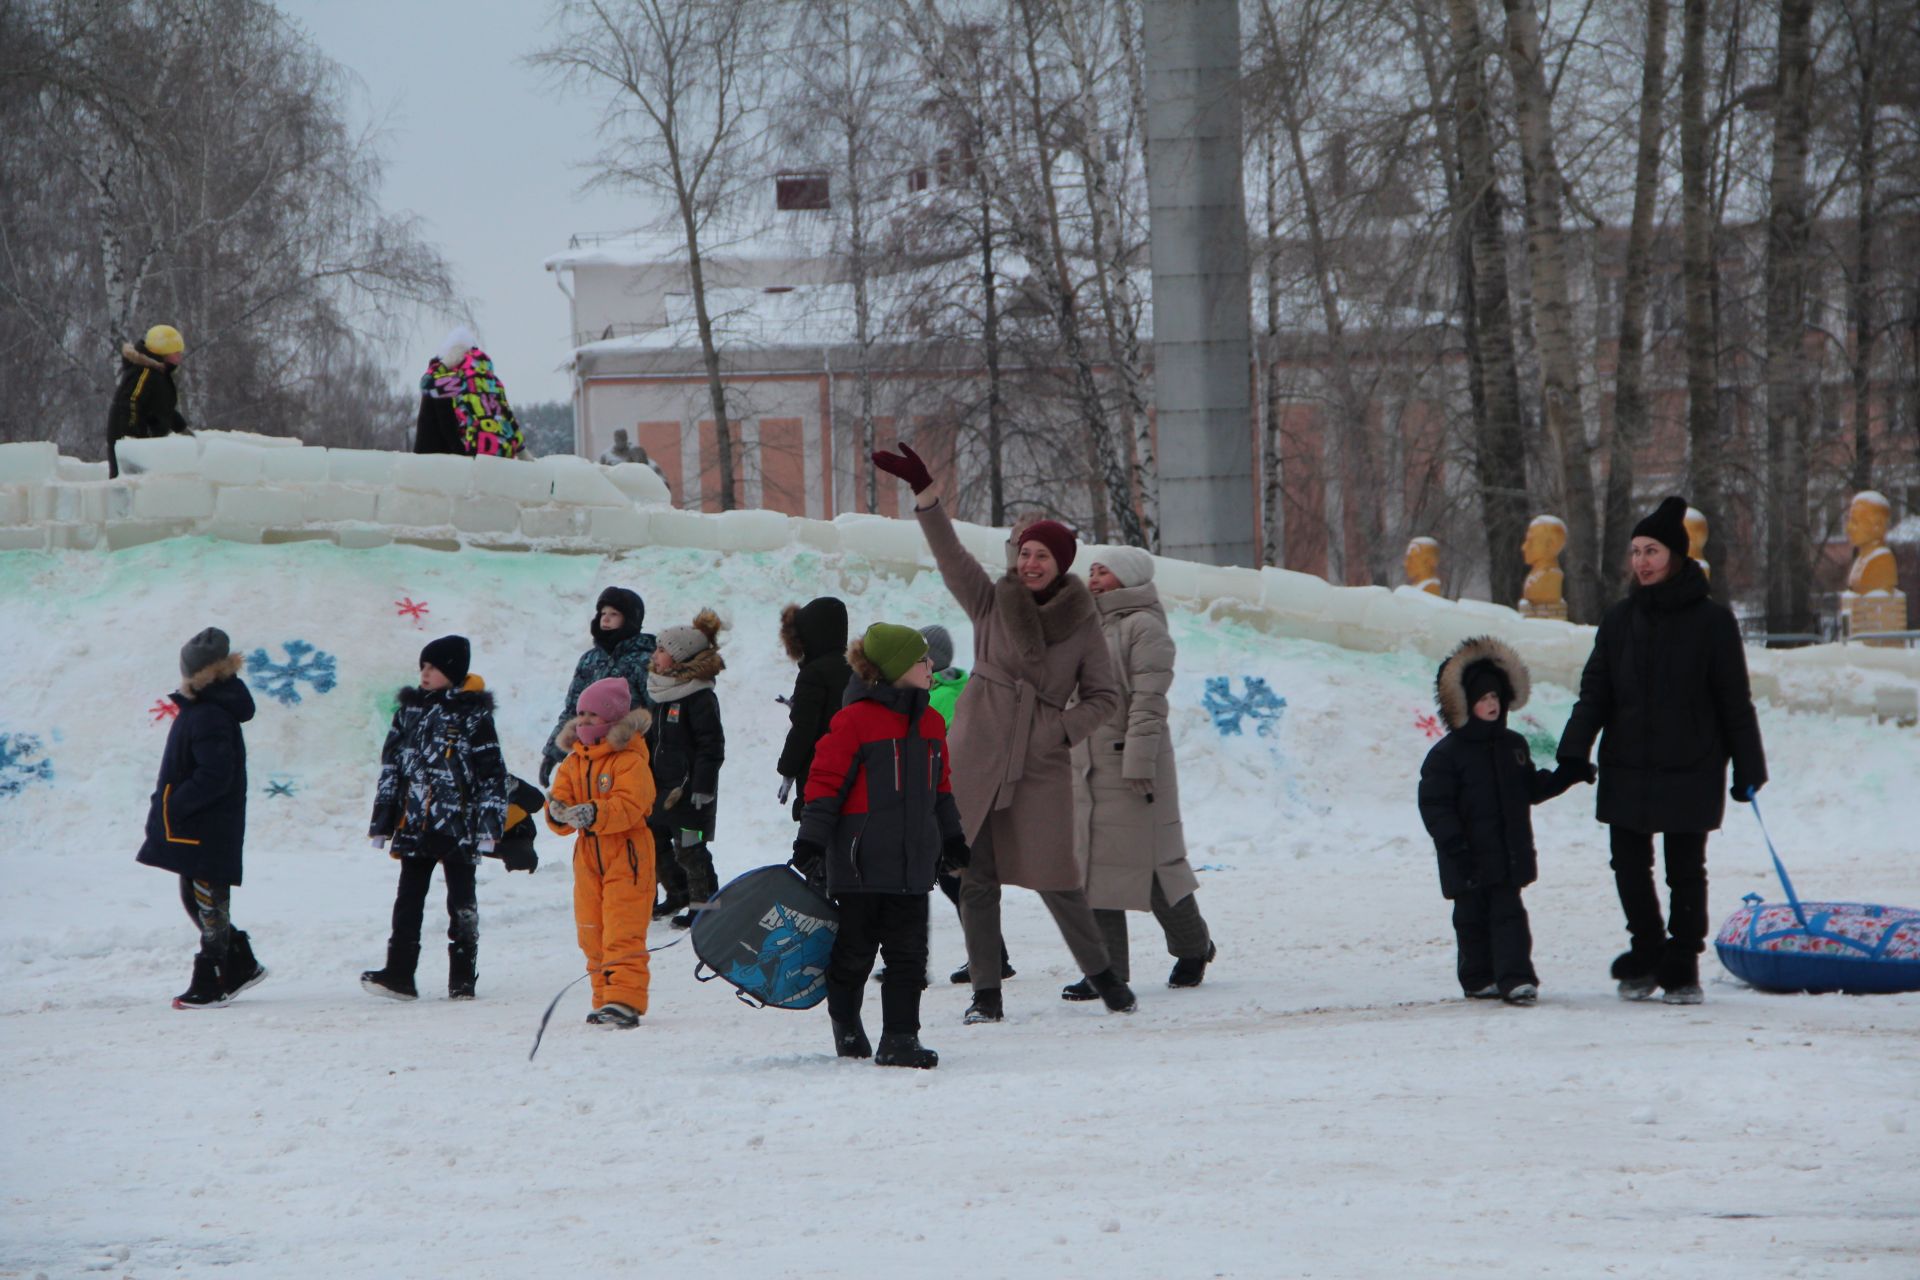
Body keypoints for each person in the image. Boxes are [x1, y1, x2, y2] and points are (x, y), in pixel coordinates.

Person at [873, 442, 1132, 1024]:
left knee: (1057, 877)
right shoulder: (992, 603)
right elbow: (950, 555)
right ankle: (986, 995)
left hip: (1038, 760)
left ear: (1061, 564)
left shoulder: (1083, 623)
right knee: (974, 876)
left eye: (1043, 555)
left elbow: (1105, 696)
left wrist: (1058, 732)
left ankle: (1106, 977)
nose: (1031, 563)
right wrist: (926, 497)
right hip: (978, 749)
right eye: (1025, 553)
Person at [1556, 496, 1768, 1005]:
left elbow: (1733, 700)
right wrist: (1573, 750)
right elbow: (1596, 692)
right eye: (1635, 552)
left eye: (1651, 551)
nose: (1642, 562)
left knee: (1684, 869)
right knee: (1627, 865)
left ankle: (1683, 964)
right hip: (1627, 761)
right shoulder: (1618, 620)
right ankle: (1647, 950)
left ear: (1675, 555)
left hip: (1690, 763)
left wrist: (1748, 766)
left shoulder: (1714, 622)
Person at [792, 623, 967, 1069]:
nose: (930, 667)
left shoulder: (930, 722)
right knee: (854, 954)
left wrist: (953, 838)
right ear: (893, 670)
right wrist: (811, 839)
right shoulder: (854, 720)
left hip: (913, 864)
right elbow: (825, 783)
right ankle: (846, 1024)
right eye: (921, 660)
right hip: (860, 864)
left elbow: (940, 789)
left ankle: (900, 1039)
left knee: (910, 956)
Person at [1067, 547, 1215, 999]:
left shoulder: (1143, 626)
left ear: (1127, 578)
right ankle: (1106, 971)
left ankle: (1193, 947)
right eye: (1091, 570)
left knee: (1153, 868)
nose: (1093, 579)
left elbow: (1150, 701)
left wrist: (1138, 759)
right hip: (1086, 763)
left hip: (1131, 764)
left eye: (1103, 571)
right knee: (1093, 869)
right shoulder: (1084, 626)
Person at [1418, 637, 1590, 1005]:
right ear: (1465, 704)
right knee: (1470, 919)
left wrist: (1565, 776)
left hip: (1506, 854)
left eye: (1495, 697)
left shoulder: (1513, 745)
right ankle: (1478, 978)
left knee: (1509, 916)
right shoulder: (1447, 756)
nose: (1491, 704)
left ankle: (1515, 979)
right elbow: (1435, 806)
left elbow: (1529, 787)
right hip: (1466, 856)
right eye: (1482, 699)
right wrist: (1454, 846)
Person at [361, 636, 508, 1001]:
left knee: (462, 902)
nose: (424, 674)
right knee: (408, 898)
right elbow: (392, 768)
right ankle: (399, 973)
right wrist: (382, 822)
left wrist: (489, 828)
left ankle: (462, 976)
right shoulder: (408, 712)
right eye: (422, 667)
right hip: (414, 824)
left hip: (459, 826)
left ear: (453, 672)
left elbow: (492, 773)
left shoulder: (473, 715)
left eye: (433, 668)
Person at [137, 627, 268, 1009]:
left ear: (197, 672)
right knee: (197, 898)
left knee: (209, 903)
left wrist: (174, 804)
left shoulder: (210, 714)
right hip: (197, 826)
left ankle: (213, 979)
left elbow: (215, 774)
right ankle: (241, 962)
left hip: (207, 826)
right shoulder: (203, 709)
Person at [547, 677, 658, 1029]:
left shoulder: (629, 759)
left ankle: (624, 1000)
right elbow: (559, 798)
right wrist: (559, 813)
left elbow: (632, 805)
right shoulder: (574, 761)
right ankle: (602, 997)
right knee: (591, 929)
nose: (582, 721)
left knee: (622, 929)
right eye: (580, 714)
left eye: (592, 714)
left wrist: (596, 812)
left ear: (611, 719)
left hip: (627, 854)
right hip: (588, 856)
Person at [919, 622, 1010, 987]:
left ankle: (991, 957)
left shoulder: (940, 698)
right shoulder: (955, 688)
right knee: (953, 880)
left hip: (945, 799)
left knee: (954, 881)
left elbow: (931, 751)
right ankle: (992, 955)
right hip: (952, 799)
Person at [647, 609, 727, 929]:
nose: (656, 654)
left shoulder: (699, 697)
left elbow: (712, 745)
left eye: (662, 649)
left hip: (690, 791)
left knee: (691, 850)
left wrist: (703, 787)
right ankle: (678, 893)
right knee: (657, 843)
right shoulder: (662, 692)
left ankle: (705, 904)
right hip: (661, 788)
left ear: (679, 657)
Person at [776, 597, 852, 825]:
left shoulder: (814, 673)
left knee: (815, 835)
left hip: (818, 771)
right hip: (849, 770)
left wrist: (787, 769)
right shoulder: (854, 669)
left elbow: (804, 729)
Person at [414, 326, 525, 457]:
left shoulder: (453, 381)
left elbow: (426, 385)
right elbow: (508, 416)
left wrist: (442, 365)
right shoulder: (492, 382)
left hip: (442, 464)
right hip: (492, 455)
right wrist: (521, 450)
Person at [107, 324, 190, 478]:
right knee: (129, 485)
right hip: (127, 442)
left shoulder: (158, 374)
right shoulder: (144, 373)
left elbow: (162, 408)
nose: (179, 356)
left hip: (143, 442)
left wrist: (183, 430)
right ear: (162, 353)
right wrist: (133, 436)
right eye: (175, 352)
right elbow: (130, 402)